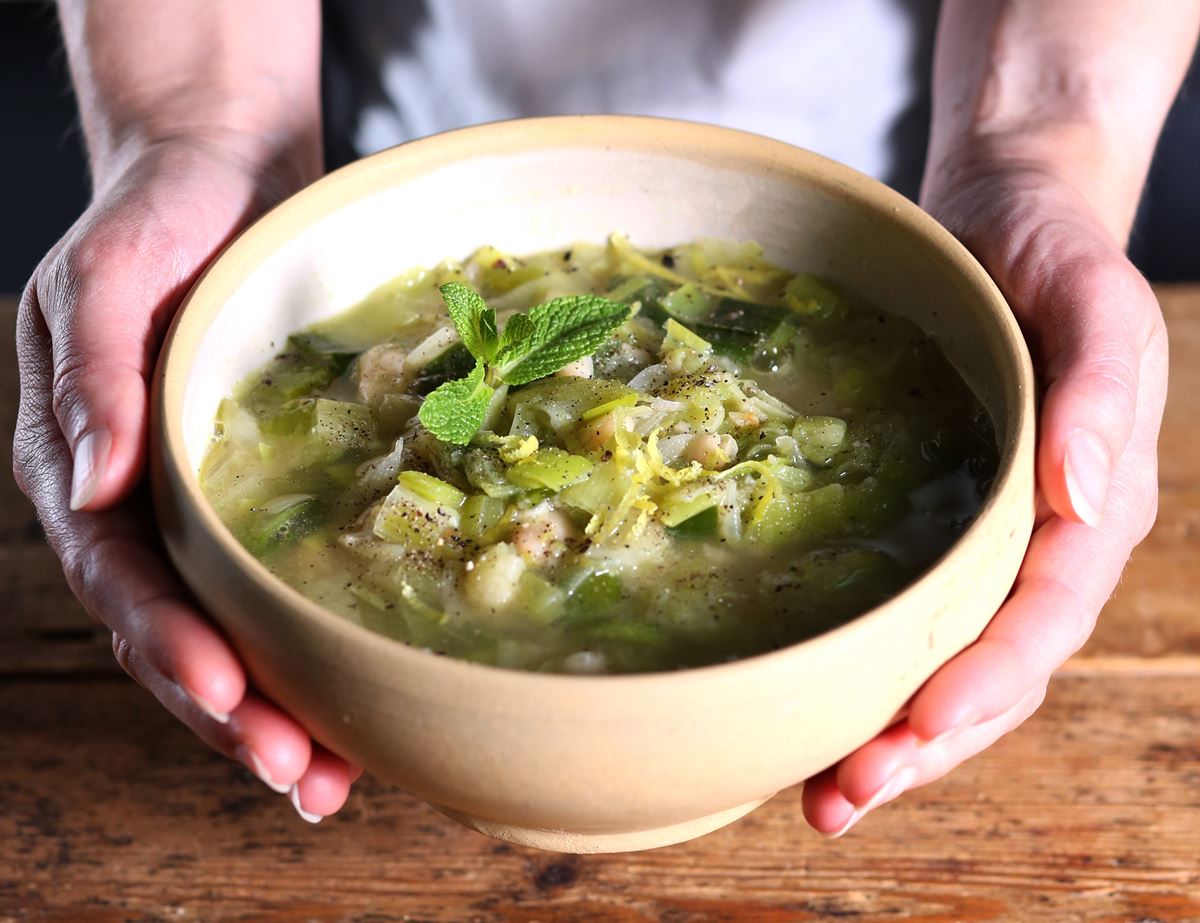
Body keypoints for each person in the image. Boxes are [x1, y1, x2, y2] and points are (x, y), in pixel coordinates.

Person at [14, 0, 1194, 832]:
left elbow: (1051, 107)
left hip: (900, 169)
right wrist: (202, 130)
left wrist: (1035, 148)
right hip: (377, 155)